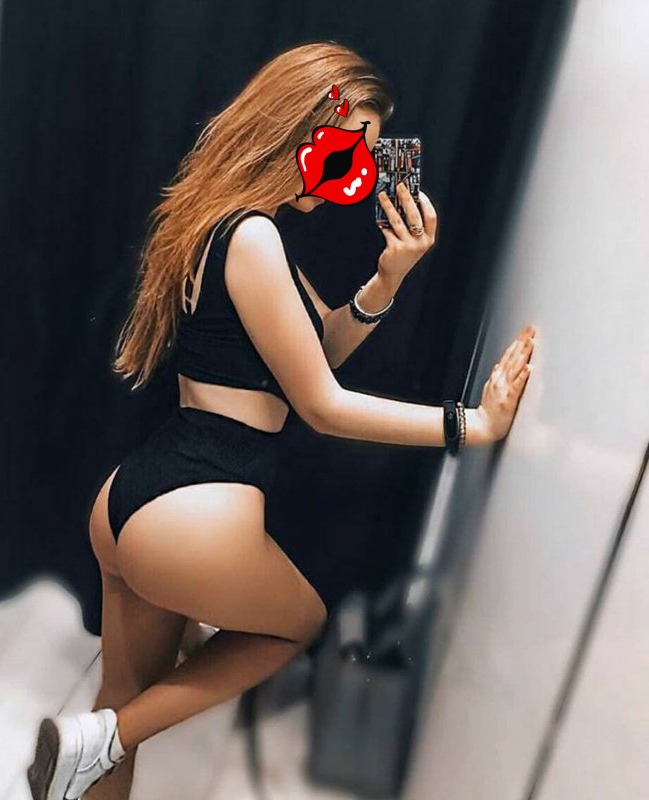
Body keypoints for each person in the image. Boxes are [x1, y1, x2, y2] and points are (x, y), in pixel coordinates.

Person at [26, 41, 535, 800]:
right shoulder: (254, 236)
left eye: (366, 155)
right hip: (196, 505)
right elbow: (321, 405)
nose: (354, 174)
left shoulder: (222, 223)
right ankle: (109, 736)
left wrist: (386, 278)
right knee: (293, 625)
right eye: (350, 148)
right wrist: (471, 425)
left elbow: (311, 353)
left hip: (137, 496)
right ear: (301, 128)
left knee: (113, 710)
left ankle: (101, 739)